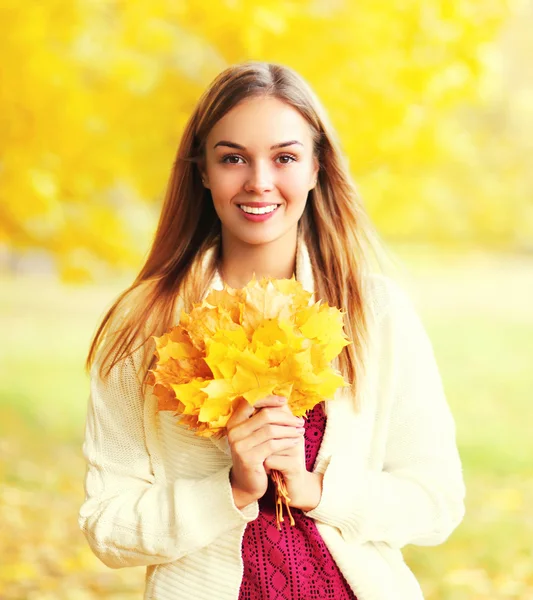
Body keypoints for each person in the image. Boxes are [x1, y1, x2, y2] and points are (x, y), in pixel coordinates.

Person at [79, 61, 466, 600]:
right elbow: (108, 526)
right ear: (202, 171)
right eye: (233, 158)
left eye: (284, 157)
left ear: (316, 168)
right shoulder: (144, 327)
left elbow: (436, 501)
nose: (259, 182)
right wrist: (231, 489)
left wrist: (317, 489)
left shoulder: (375, 312)